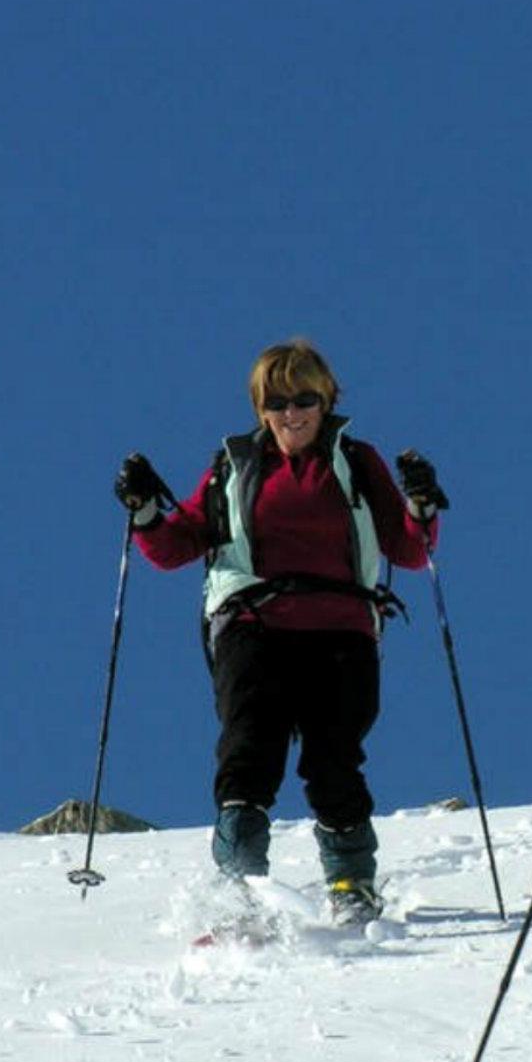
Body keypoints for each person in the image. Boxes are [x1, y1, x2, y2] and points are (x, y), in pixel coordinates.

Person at [112, 338, 449, 923]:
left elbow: (408, 548)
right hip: (253, 623)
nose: (291, 414)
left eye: (303, 399)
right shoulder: (235, 464)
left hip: (342, 625)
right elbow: (175, 547)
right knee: (249, 747)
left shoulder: (356, 460)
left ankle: (350, 885)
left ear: (326, 401)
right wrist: (143, 511)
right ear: (260, 408)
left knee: (334, 756)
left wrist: (421, 506)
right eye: (276, 402)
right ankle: (239, 893)